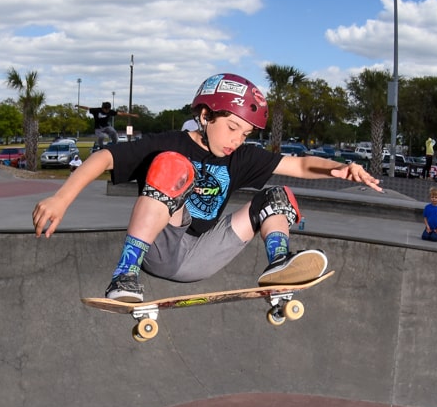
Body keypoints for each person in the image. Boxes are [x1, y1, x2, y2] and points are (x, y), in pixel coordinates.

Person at [32, 73, 382, 302]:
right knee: (172, 165)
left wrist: (341, 168)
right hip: (160, 245)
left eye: (244, 134)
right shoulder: (169, 141)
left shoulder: (242, 157)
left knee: (276, 196)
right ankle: (125, 275)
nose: (236, 140)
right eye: (231, 128)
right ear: (204, 116)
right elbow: (105, 157)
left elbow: (300, 164)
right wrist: (62, 198)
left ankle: (278, 263)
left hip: (204, 254)